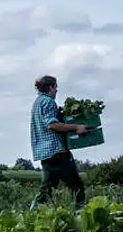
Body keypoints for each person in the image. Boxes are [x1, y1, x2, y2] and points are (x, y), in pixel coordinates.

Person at [29, 74, 89, 208]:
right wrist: (76, 127)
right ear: (50, 87)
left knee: (47, 189)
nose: (56, 90)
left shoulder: (38, 102)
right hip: (57, 151)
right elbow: (52, 125)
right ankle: (81, 213)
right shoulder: (49, 101)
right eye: (55, 87)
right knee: (76, 186)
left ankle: (33, 212)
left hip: (45, 153)